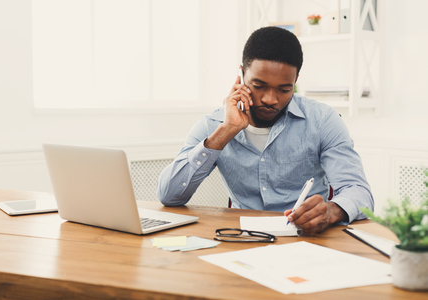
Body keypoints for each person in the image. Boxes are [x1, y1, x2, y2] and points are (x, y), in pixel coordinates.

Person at [156, 26, 373, 234]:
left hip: (306, 240)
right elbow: (168, 195)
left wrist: (330, 212)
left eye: (284, 89)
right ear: (241, 75)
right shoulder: (212, 125)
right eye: (259, 86)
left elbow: (360, 192)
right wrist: (225, 132)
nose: (270, 99)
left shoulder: (323, 121)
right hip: (242, 239)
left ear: (296, 80)